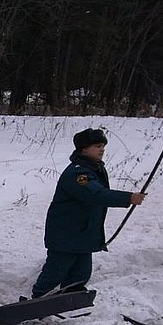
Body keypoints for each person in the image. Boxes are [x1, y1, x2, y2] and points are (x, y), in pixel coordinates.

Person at [31, 128, 146, 298]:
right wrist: (128, 198)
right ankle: (39, 297)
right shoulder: (78, 174)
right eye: (97, 146)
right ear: (84, 149)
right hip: (66, 233)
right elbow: (95, 194)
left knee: (81, 272)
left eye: (103, 146)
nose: (102, 150)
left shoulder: (93, 168)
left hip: (83, 233)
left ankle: (71, 295)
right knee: (57, 269)